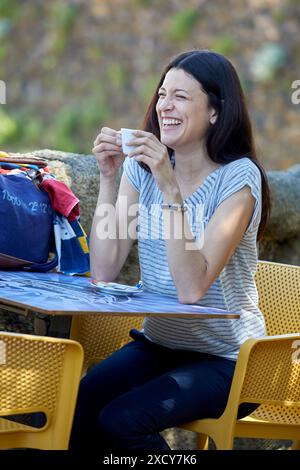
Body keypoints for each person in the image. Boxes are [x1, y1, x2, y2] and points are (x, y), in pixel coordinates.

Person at [70, 49, 271, 451]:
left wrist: (168, 186)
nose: (165, 105)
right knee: (74, 407)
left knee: (121, 422)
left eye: (181, 96)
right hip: (161, 345)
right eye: (163, 94)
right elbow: (104, 270)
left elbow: (191, 289)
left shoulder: (237, 179)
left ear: (215, 111)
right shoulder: (140, 169)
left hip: (231, 361)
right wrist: (108, 179)